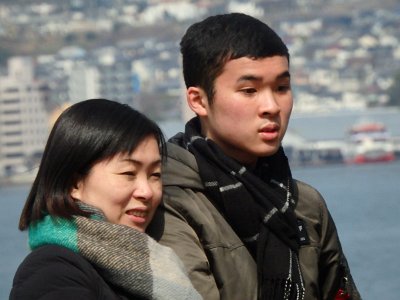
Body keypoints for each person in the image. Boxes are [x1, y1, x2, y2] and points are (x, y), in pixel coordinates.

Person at [146, 13, 361, 300]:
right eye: (249, 91)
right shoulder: (168, 201)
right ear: (198, 100)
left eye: (282, 88)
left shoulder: (305, 205)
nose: (272, 106)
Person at [10, 99, 202, 300]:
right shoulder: (53, 272)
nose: (147, 192)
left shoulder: (155, 263)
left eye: (155, 175)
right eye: (128, 172)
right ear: (74, 184)